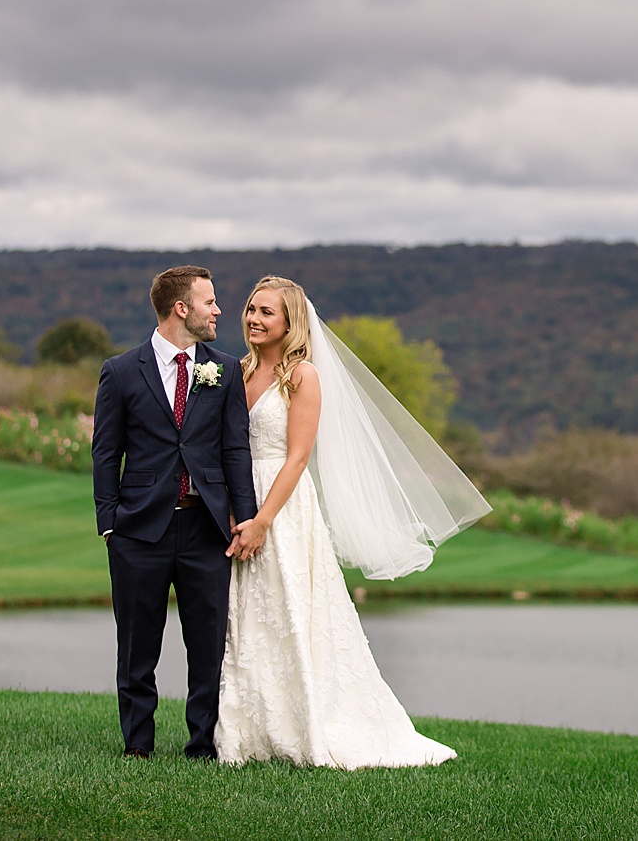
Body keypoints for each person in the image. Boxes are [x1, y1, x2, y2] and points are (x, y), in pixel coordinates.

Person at [215, 275, 490, 768]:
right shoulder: (237, 371)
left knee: (291, 607)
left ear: (289, 323)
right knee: (248, 615)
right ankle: (248, 730)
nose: (254, 319)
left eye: (266, 313)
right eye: (251, 309)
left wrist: (262, 521)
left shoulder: (303, 377)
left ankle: (309, 724)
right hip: (240, 497)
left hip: (283, 507)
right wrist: (235, 508)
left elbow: (297, 458)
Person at [90, 266, 260, 759]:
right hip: (139, 530)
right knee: (137, 647)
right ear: (181, 308)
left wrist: (244, 516)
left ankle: (201, 745)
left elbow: (235, 449)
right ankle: (137, 746)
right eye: (210, 302)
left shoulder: (225, 370)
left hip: (207, 528)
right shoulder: (120, 371)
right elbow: (106, 453)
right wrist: (109, 523)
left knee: (207, 647)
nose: (219, 310)